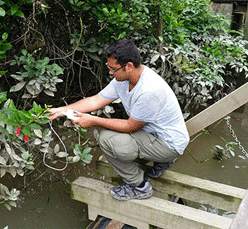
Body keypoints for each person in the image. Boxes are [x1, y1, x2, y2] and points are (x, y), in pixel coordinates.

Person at [48, 38, 190, 201]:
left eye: (113, 68)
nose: (110, 72)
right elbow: (96, 100)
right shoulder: (125, 79)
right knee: (119, 141)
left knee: (107, 139)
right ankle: (161, 162)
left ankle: (139, 186)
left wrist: (93, 120)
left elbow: (130, 127)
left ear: (129, 66)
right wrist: (62, 110)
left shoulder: (148, 91)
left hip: (169, 144)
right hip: (158, 136)